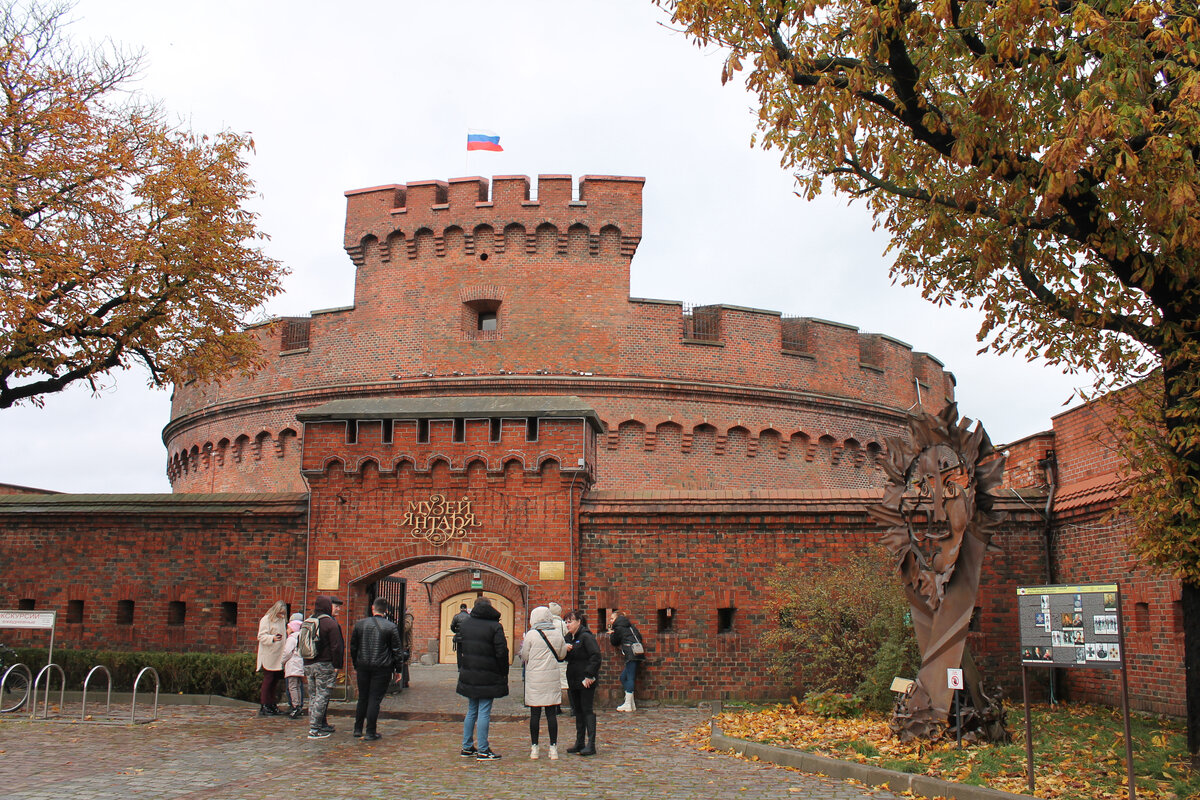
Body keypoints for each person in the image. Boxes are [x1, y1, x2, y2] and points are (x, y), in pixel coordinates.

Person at [455, 596, 509, 760]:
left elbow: (461, 647)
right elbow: (501, 652)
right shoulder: (495, 626)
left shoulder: (466, 625)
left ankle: (467, 746)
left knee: (472, 710)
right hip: (488, 673)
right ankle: (483, 750)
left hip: (470, 672)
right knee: (484, 711)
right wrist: (503, 671)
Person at [350, 597, 404, 741]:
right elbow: (397, 650)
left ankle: (357, 728)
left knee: (363, 697)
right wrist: (398, 669)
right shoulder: (390, 627)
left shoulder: (360, 625)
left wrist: (356, 663)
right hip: (382, 667)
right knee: (374, 699)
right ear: (386, 610)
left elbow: (353, 647)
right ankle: (370, 731)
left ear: (373, 608)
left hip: (363, 665)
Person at [519, 606, 567, 760]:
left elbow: (524, 655)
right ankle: (553, 748)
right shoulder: (557, 634)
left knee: (535, 714)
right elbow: (562, 654)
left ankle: (535, 748)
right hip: (551, 678)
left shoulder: (531, 635)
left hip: (535, 678)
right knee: (551, 714)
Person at [303, 595, 345, 740]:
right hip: (324, 664)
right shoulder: (329, 624)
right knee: (322, 695)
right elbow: (336, 647)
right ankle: (314, 729)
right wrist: (337, 664)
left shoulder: (309, 621)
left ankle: (315, 724)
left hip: (308, 663)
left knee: (313, 696)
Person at [564, 609, 601, 756]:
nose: (568, 625)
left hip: (585, 680)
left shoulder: (586, 637)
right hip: (573, 679)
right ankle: (579, 742)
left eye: (570, 621)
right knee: (577, 711)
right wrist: (564, 649)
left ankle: (591, 743)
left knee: (587, 710)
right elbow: (562, 656)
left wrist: (589, 675)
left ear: (579, 621)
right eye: (566, 622)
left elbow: (595, 656)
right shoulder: (568, 638)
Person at [255, 600, 288, 716]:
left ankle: (272, 703)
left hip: (278, 654)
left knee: (275, 680)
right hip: (269, 654)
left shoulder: (282, 620)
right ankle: (264, 704)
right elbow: (261, 636)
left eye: (283, 613)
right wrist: (272, 638)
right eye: (280, 613)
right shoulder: (266, 619)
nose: (282, 616)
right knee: (268, 680)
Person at [608, 609, 643, 712]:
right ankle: (631, 703)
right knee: (624, 677)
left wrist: (611, 634)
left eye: (612, 618)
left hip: (630, 653)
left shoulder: (619, 627)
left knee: (629, 677)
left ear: (617, 619)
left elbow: (614, 641)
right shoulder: (630, 626)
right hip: (637, 652)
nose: (610, 621)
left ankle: (628, 704)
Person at [281, 616, 306, 718]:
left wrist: (282, 662)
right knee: (298, 686)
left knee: (292, 687)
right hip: (300, 666)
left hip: (292, 666)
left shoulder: (291, 639)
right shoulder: (302, 638)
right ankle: (299, 704)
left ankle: (295, 706)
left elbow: (287, 652)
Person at [547, 601, 569, 703]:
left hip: (549, 656)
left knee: (552, 682)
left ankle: (556, 706)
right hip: (561, 655)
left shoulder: (546, 624)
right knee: (564, 681)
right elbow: (568, 636)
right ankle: (571, 706)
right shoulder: (563, 624)